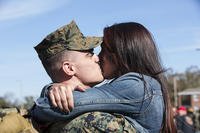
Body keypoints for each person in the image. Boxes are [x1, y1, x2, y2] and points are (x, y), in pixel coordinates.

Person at [32, 22, 177, 132]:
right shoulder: (137, 85)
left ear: (120, 54)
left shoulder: (137, 85)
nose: (98, 57)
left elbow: (47, 107)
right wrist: (55, 89)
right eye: (91, 54)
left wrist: (50, 90)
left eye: (103, 50)